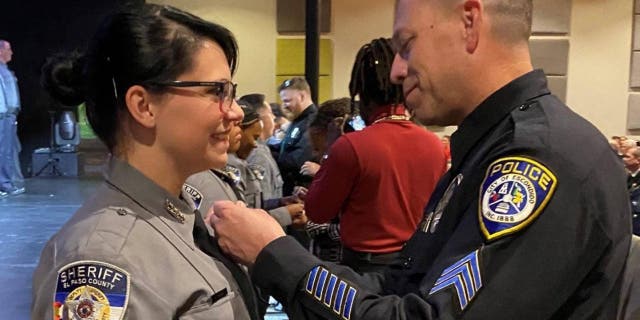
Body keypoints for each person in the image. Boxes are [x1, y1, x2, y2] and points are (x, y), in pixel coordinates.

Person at [209, 0, 632, 319]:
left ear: (470, 23)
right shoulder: (487, 145)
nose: (395, 70)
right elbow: (406, 284)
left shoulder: (537, 159)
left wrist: (276, 255)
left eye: (406, 46)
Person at [32, 4, 260, 319]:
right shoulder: (104, 259)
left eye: (230, 92)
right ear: (144, 106)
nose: (235, 112)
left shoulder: (183, 214)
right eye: (215, 91)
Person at [303, 38, 446, 274]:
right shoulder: (434, 144)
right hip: (418, 263)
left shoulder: (351, 146)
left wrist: (330, 149)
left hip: (365, 267)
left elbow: (317, 211)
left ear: (362, 92)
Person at [277, 77, 317, 196]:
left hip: (303, 189)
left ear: (302, 96)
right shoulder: (298, 120)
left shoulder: (312, 122)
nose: (285, 106)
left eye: (288, 101)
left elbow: (300, 159)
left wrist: (273, 158)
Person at [240, 93, 285, 200]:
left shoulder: (263, 149)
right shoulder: (257, 154)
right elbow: (262, 201)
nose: (274, 117)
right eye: (270, 113)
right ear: (260, 120)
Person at [0, 40, 24, 196]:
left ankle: (6, 182)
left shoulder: (5, 70)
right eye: (9, 49)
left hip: (8, 116)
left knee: (9, 150)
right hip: (3, 116)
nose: (12, 52)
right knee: (4, 151)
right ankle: (5, 184)